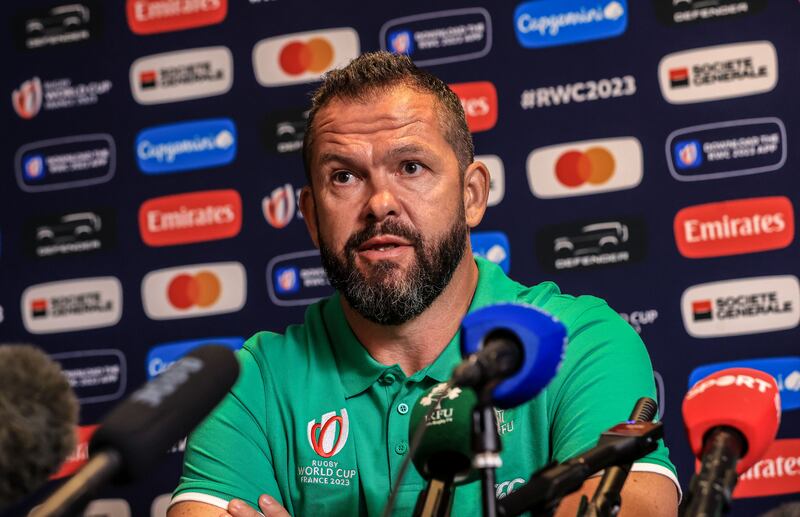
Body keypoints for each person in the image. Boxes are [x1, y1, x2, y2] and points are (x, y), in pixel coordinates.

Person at [168, 51, 679, 517]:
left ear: (472, 195)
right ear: (311, 216)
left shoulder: (581, 344)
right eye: (344, 177)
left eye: (410, 167)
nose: (379, 203)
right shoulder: (247, 385)